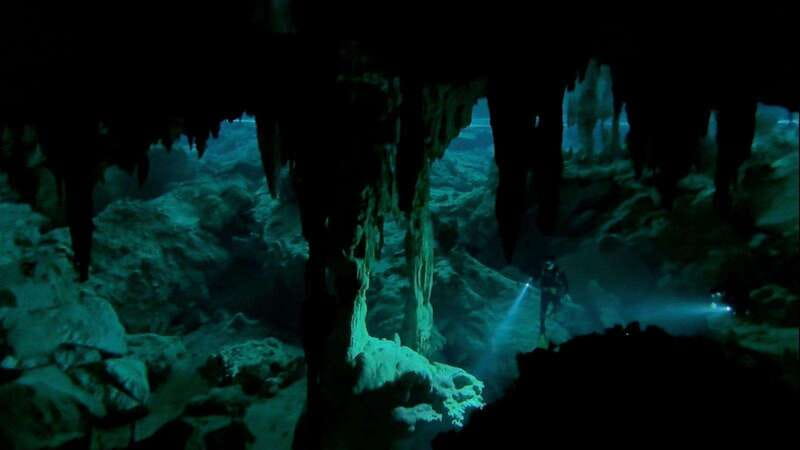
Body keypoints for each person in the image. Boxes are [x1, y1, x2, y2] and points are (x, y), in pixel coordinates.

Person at [538, 255, 569, 337]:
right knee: (543, 309)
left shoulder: (559, 271)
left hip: (555, 293)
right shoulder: (544, 271)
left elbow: (565, 282)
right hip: (546, 293)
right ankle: (542, 325)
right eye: (546, 263)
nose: (547, 265)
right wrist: (545, 288)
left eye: (549, 263)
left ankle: (556, 317)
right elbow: (541, 283)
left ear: (553, 263)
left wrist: (566, 293)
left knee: (558, 306)